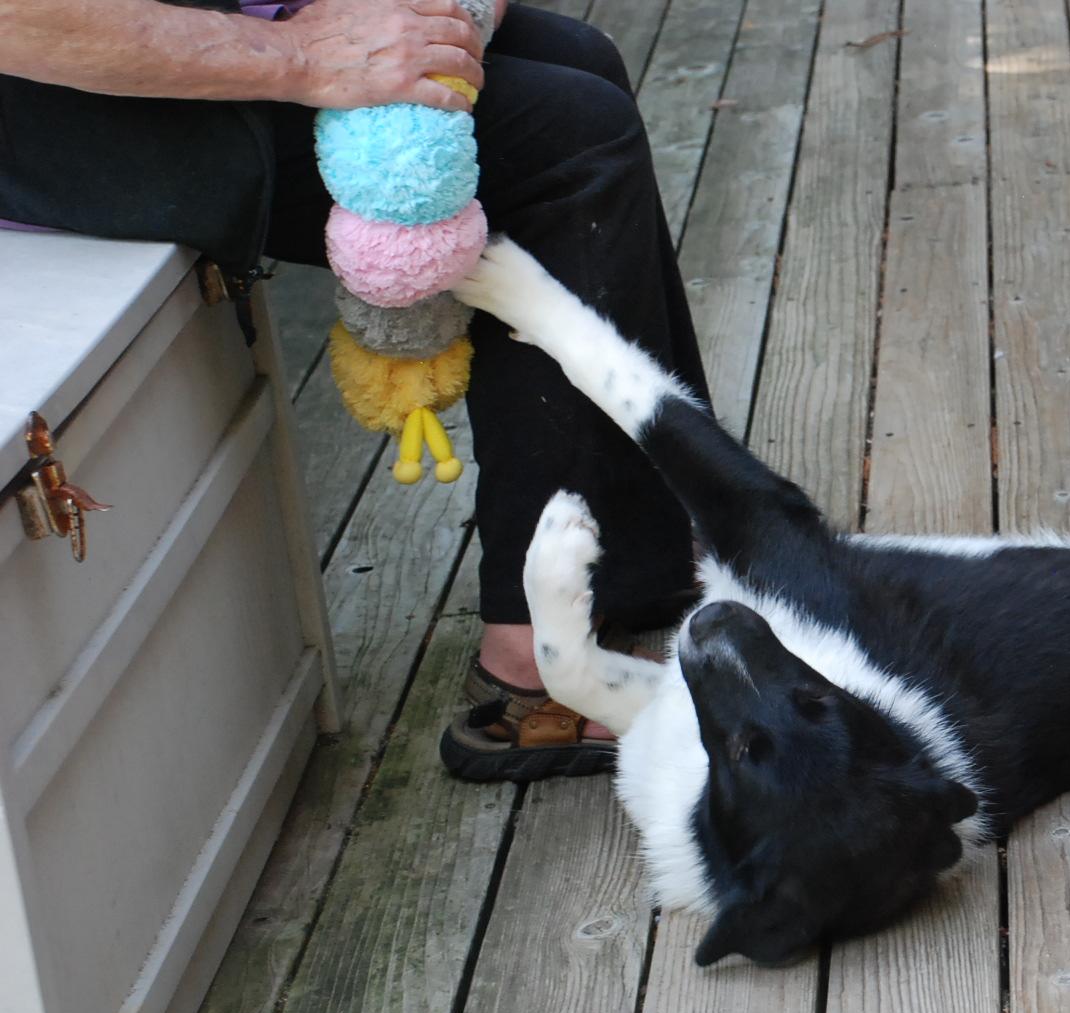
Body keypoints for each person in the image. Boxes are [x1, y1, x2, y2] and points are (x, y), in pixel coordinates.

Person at [0, 0, 708, 782]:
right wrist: (300, 53)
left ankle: (632, 571)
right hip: (47, 104)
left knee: (578, 57)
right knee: (565, 136)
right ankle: (529, 674)